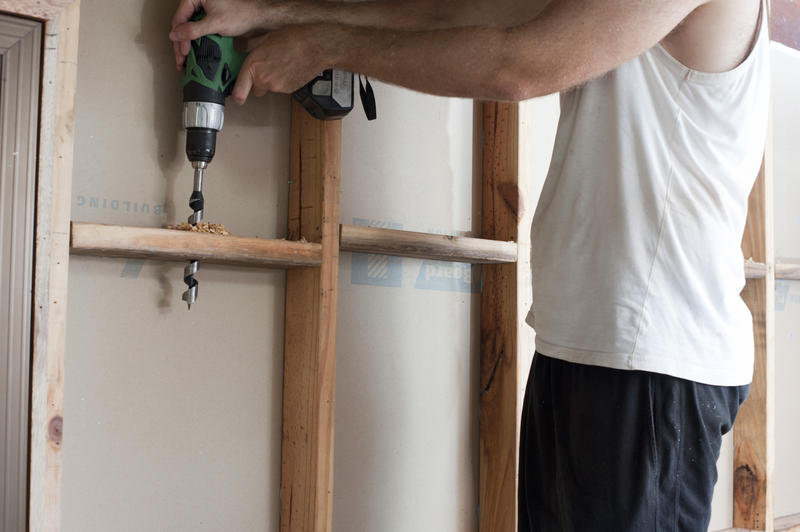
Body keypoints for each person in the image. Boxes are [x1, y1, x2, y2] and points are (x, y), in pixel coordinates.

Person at [170, 0, 770, 529]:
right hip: (588, 349)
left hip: (653, 363)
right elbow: (453, 11)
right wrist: (274, 11)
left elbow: (520, 65)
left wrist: (324, 45)